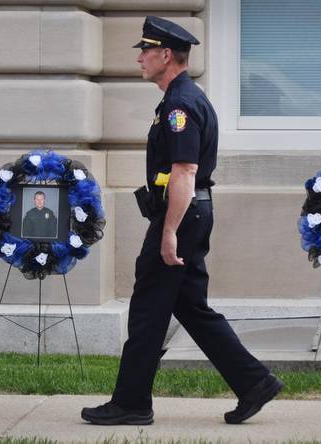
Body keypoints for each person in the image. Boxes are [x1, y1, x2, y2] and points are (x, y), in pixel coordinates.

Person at [81, 16, 283, 426]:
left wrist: (168, 231)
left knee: (147, 308)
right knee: (189, 306)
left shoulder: (179, 105)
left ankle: (131, 403)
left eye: (145, 50)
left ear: (166, 55)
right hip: (189, 212)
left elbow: (185, 171)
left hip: (182, 215)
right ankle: (254, 382)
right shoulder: (180, 97)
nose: (139, 58)